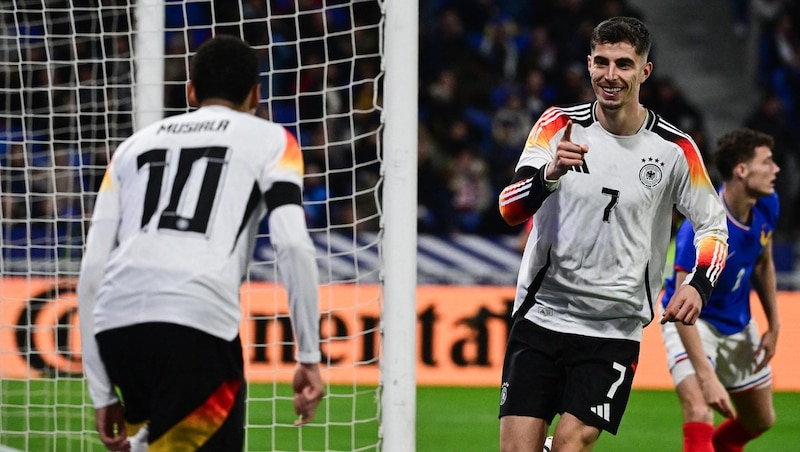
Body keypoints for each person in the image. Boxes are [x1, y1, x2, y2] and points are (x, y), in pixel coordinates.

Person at [77, 35, 323, 451]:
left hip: (116, 326)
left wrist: (101, 392)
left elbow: (91, 272)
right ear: (256, 95)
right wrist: (310, 356)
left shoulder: (129, 149)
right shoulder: (274, 141)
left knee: (160, 442)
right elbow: (293, 245)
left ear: (191, 92)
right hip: (196, 322)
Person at [497, 16, 729, 451]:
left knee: (570, 444)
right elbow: (509, 208)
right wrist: (548, 174)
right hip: (542, 314)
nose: (610, 75)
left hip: (614, 327)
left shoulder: (675, 150)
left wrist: (699, 284)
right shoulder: (557, 125)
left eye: (623, 64)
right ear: (588, 65)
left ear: (645, 72)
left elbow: (713, 226)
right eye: (601, 62)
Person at [660, 128, 780, 452]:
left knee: (761, 420)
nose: (776, 169)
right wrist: (706, 376)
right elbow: (678, 301)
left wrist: (774, 325)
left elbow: (763, 263)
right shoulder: (699, 228)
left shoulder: (768, 205)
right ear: (742, 170)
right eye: (767, 162)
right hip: (691, 323)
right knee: (699, 409)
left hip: (738, 322)